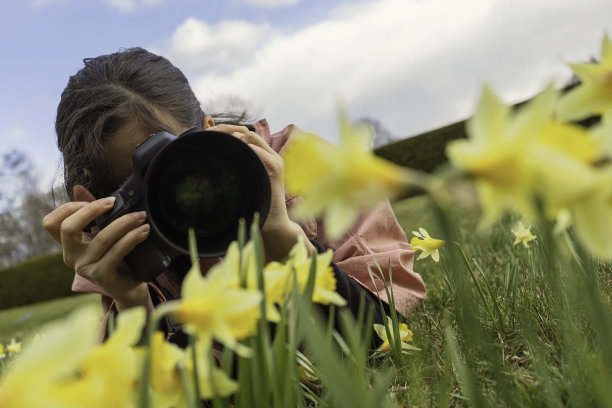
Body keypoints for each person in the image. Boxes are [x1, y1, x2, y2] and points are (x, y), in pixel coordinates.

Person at [42, 47, 426, 345]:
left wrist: (282, 233)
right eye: (143, 188)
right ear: (96, 202)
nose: (183, 197)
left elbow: (386, 332)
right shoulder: (127, 251)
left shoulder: (302, 166)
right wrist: (130, 303)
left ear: (211, 129)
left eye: (177, 164)